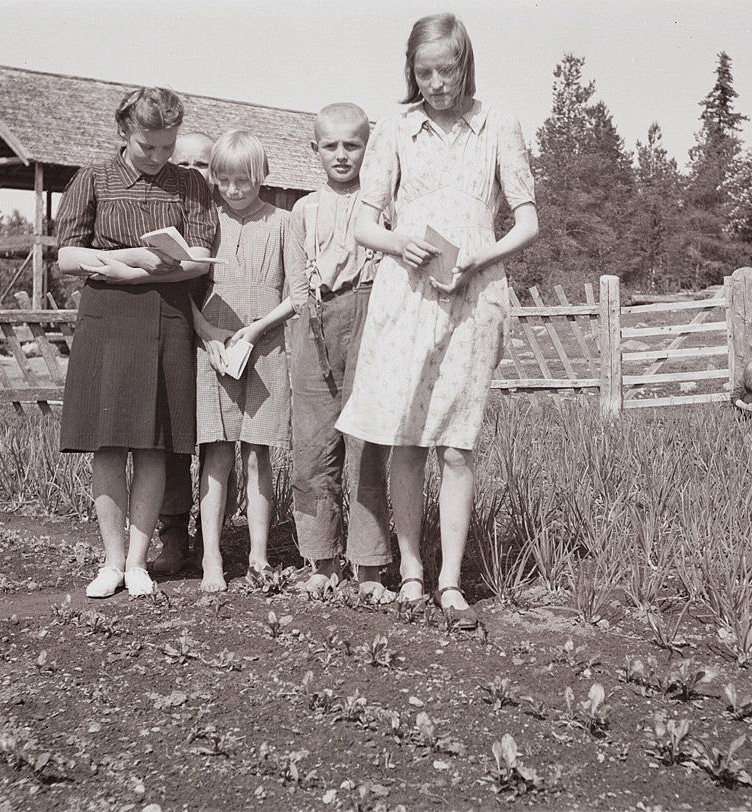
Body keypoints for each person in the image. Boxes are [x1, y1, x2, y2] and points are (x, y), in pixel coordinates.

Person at [336, 13, 539, 629]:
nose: (434, 84)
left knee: (455, 441)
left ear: (465, 65)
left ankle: (451, 579)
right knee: (405, 437)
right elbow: (364, 223)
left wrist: (484, 254)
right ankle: (411, 572)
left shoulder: (498, 125)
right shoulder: (396, 127)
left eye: (444, 71)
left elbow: (529, 222)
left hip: (475, 297)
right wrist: (400, 244)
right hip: (406, 296)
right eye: (422, 72)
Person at [55, 87, 216, 599]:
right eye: (150, 146)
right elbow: (66, 256)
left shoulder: (190, 185)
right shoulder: (94, 178)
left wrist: (151, 269)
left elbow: (201, 259)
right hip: (107, 319)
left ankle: (140, 564)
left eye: (167, 147)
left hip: (167, 318)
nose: (160, 156)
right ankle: (111, 562)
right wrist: (125, 263)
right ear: (125, 132)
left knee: (153, 445)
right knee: (109, 442)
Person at [286, 103, 393, 601]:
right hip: (313, 322)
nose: (342, 155)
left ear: (368, 150)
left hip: (369, 315)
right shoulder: (302, 211)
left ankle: (368, 565)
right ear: (315, 151)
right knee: (311, 446)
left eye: (352, 145)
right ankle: (320, 559)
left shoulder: (383, 207)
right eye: (330, 146)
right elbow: (292, 287)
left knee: (366, 445)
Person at [193, 129, 295, 592]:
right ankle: (211, 556)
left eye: (245, 182)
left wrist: (257, 328)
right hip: (214, 352)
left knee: (258, 455)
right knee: (215, 453)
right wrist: (207, 333)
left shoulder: (283, 222)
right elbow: (185, 292)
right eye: (226, 181)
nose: (234, 191)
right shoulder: (205, 222)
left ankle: (258, 557)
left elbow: (296, 294)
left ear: (262, 177)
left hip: (266, 349)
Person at [149, 131, 218, 577]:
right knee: (174, 439)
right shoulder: (168, 215)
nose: (194, 174)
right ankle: (173, 535)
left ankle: (218, 536)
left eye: (204, 166)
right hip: (179, 334)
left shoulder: (227, 218)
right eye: (186, 165)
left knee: (219, 442)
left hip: (224, 343)